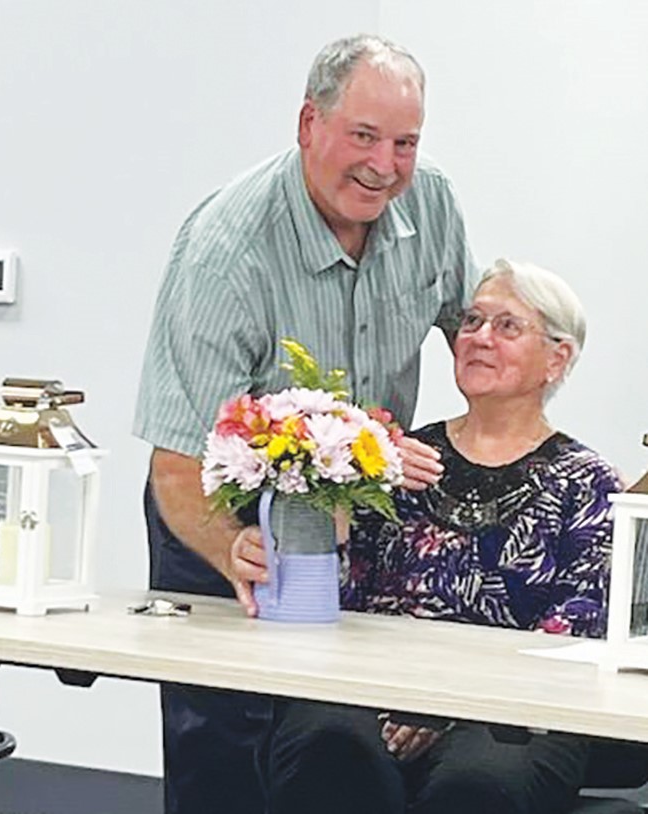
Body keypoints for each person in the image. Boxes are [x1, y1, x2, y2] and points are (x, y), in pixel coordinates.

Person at [134, 33, 479, 814]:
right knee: (227, 753)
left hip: (358, 521)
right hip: (223, 519)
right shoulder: (227, 251)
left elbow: (475, 339)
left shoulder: (432, 202)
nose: (384, 166)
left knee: (338, 751)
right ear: (307, 125)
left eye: (405, 143)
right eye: (363, 137)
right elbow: (180, 462)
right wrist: (235, 550)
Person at [259, 259, 637, 814]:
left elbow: (573, 636)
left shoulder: (588, 485)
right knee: (327, 745)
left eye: (507, 326)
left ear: (557, 358)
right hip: (375, 695)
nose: (480, 338)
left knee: (477, 784)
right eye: (472, 322)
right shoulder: (397, 460)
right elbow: (347, 602)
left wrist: (444, 706)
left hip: (514, 713)